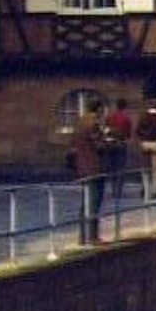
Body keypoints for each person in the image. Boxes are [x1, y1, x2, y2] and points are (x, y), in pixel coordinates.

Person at [72, 103, 107, 244]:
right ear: (98, 109)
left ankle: (82, 237)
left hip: (82, 167)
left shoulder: (79, 123)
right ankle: (92, 236)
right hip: (94, 167)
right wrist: (108, 142)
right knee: (94, 202)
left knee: (84, 204)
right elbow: (99, 146)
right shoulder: (93, 124)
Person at [102, 97, 134, 201]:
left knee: (112, 167)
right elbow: (128, 134)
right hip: (121, 144)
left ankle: (113, 189)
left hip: (110, 144)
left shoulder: (109, 117)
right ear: (124, 107)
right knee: (121, 168)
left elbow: (105, 130)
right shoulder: (126, 118)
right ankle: (118, 191)